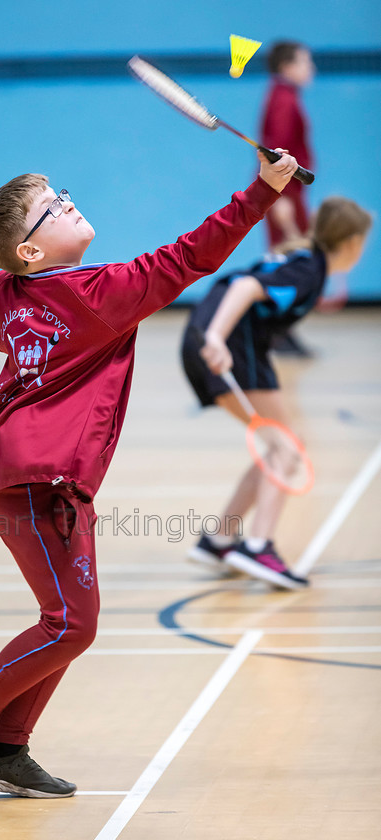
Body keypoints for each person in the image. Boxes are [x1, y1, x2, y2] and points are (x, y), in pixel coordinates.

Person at [0, 150, 297, 801]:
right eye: (50, 207)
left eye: (58, 193)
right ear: (30, 253)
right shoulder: (97, 294)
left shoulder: (4, 299)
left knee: (69, 619)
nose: (64, 202)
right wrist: (262, 193)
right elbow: (189, 256)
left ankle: (7, 749)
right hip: (27, 478)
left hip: (48, 480)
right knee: (72, 622)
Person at [181, 197, 372, 590]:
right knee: (285, 447)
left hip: (215, 340)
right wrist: (216, 336)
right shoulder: (308, 268)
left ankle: (219, 541)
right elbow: (248, 285)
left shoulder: (305, 258)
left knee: (280, 444)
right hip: (225, 345)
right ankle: (257, 546)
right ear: (352, 242)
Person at [261, 40, 316, 357]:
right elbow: (278, 151)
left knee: (292, 262)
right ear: (287, 66)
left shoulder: (285, 95)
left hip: (291, 194)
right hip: (286, 195)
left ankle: (282, 331)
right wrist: (280, 199)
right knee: (290, 263)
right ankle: (277, 333)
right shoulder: (283, 99)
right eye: (306, 62)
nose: (311, 69)